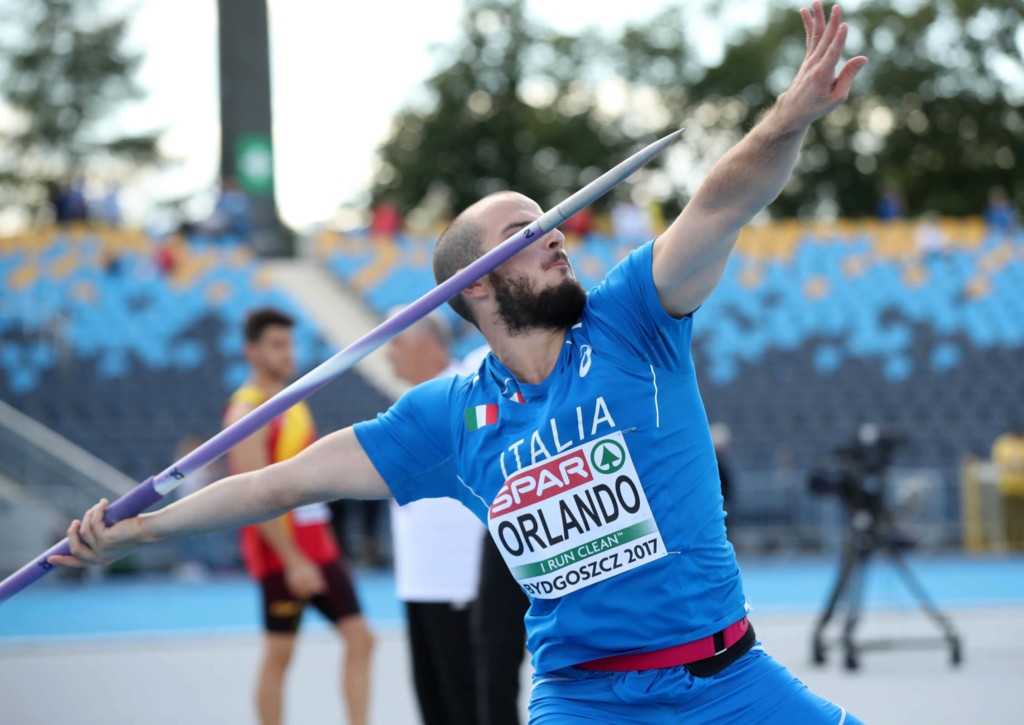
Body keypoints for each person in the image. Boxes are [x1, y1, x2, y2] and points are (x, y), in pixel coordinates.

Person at [52, 5, 867, 722]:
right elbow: (280, 482)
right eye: (525, 230)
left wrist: (790, 117)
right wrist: (142, 529)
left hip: (731, 683)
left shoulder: (633, 320)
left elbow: (722, 201)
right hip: (584, 702)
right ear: (477, 287)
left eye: (549, 219)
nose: (555, 231)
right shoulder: (444, 417)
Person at [223, 308, 373, 725]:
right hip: (283, 557)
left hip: (319, 548)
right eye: (276, 345)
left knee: (361, 639)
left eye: (289, 343)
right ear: (251, 352)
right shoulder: (246, 414)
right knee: (280, 655)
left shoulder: (291, 401)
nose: (288, 353)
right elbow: (251, 497)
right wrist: (292, 560)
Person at [386, 310, 487, 725]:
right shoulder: (403, 408)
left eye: (397, 343)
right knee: (434, 708)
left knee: (468, 707)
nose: (388, 356)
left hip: (460, 582)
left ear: (426, 345)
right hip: (418, 583)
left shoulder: (468, 388)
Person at [992, 424, 1024, 550]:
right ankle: (1011, 543)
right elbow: (1002, 463)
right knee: (1009, 516)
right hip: (1008, 487)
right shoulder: (1003, 444)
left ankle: (1022, 541)